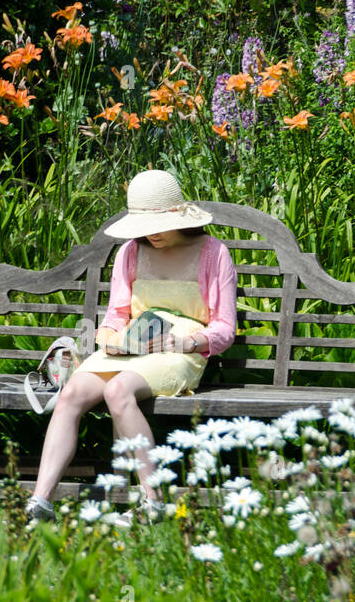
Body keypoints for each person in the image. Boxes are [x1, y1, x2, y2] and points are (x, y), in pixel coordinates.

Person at [26, 169, 238, 521]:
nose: (150, 233)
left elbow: (224, 328)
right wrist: (108, 338)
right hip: (133, 343)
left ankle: (152, 501)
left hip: (181, 349)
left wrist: (187, 340)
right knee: (72, 392)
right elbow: (115, 315)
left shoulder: (214, 254)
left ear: (178, 216)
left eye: (158, 223)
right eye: (144, 224)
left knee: (118, 390)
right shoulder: (130, 252)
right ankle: (41, 501)